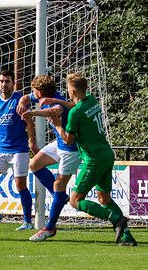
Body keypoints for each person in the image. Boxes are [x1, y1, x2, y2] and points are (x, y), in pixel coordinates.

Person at [48, 73, 136, 246]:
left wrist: (57, 125)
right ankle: (126, 237)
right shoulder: (91, 100)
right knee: (104, 199)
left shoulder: (75, 113)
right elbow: (75, 105)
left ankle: (117, 219)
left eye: (68, 88)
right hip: (107, 154)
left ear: (72, 90)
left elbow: (69, 141)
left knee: (75, 200)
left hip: (93, 159)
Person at [16, 75, 80, 242]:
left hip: (70, 147)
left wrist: (33, 113)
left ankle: (49, 227)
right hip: (58, 143)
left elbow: (55, 111)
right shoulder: (38, 95)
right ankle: (60, 196)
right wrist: (23, 102)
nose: (32, 94)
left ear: (40, 92)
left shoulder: (57, 100)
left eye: (33, 91)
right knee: (34, 164)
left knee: (59, 184)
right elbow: (24, 97)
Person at [0, 70, 35, 232]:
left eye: (7, 81)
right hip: (0, 149)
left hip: (19, 150)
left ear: (13, 83)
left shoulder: (20, 100)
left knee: (20, 185)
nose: (4, 84)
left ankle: (27, 221)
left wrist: (31, 141)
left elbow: (29, 121)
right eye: (1, 81)